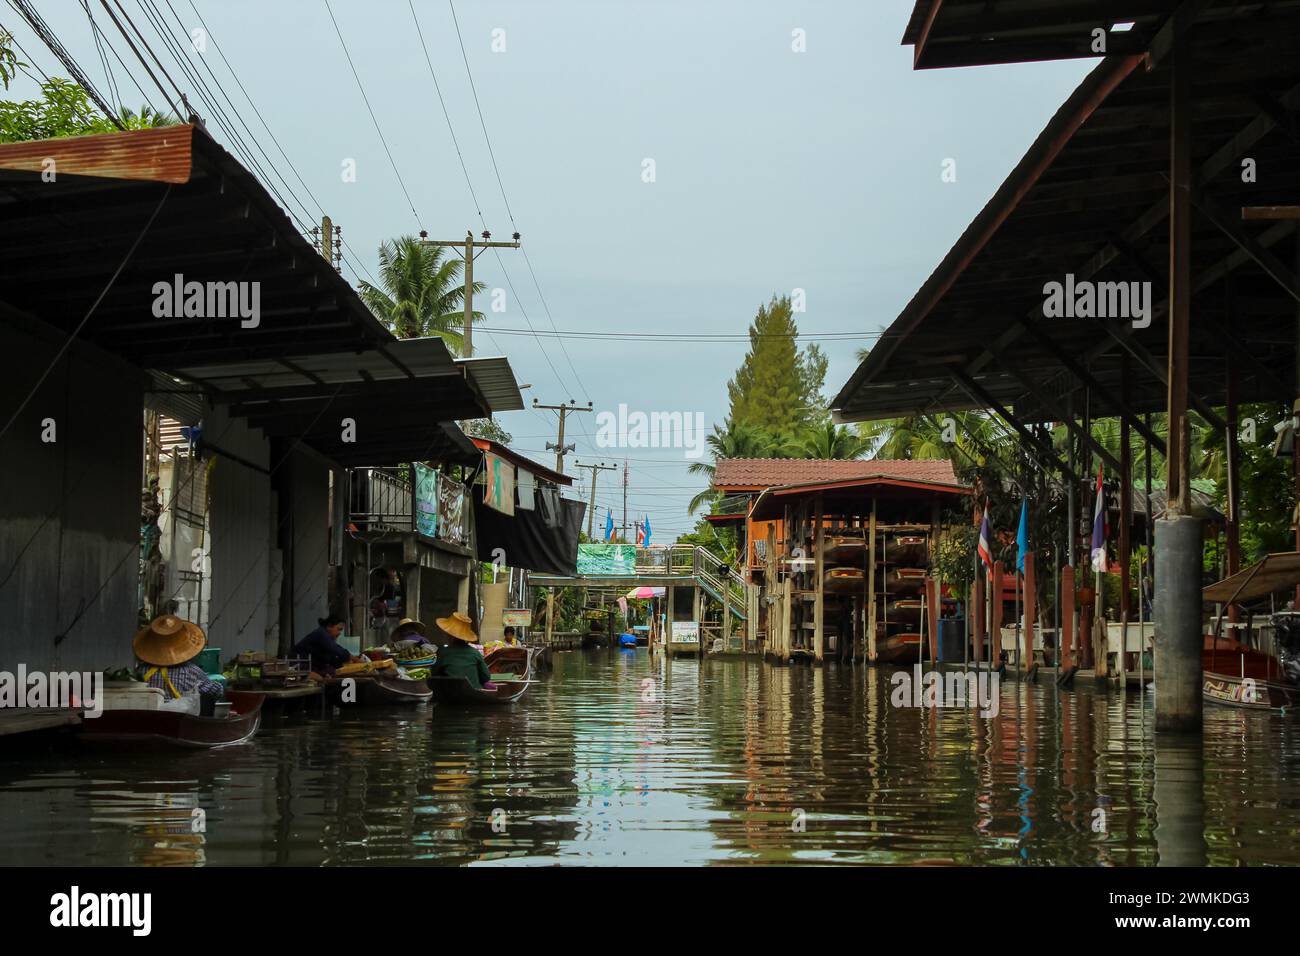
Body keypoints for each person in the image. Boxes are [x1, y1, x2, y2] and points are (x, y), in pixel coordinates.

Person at [134, 614, 224, 703]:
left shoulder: (141, 671)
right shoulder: (191, 671)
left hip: (147, 714)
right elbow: (216, 690)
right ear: (183, 647)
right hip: (179, 715)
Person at [429, 612, 494, 690]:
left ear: (450, 636)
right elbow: (486, 677)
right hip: (475, 694)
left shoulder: (442, 653)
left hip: (451, 695)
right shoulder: (475, 653)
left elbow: (433, 674)